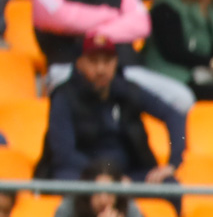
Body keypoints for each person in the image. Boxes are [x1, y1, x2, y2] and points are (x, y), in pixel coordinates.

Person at [32, 0, 194, 114]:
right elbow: (66, 18)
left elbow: (141, 24)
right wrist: (115, 15)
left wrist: (90, 32)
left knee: (182, 98)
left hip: (125, 72)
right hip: (68, 71)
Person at [39, 34, 184, 181]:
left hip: (130, 175)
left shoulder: (127, 90)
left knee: (169, 184)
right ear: (79, 63)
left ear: (116, 62)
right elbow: (63, 154)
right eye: (93, 61)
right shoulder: (64, 96)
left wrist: (173, 164)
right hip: (83, 174)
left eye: (107, 61)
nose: (101, 69)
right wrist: (108, 176)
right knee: (67, 180)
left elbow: (174, 115)